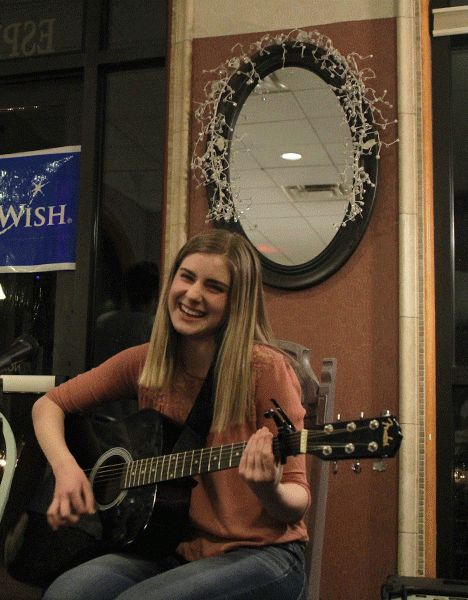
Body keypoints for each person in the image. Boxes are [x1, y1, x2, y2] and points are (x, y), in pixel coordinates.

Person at [31, 229, 309, 600]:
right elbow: (48, 405)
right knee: (65, 594)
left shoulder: (265, 369)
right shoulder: (147, 362)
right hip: (174, 547)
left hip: (265, 554)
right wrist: (65, 468)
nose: (192, 295)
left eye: (214, 287)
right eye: (186, 277)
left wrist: (268, 488)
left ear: (237, 303)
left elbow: (297, 501)